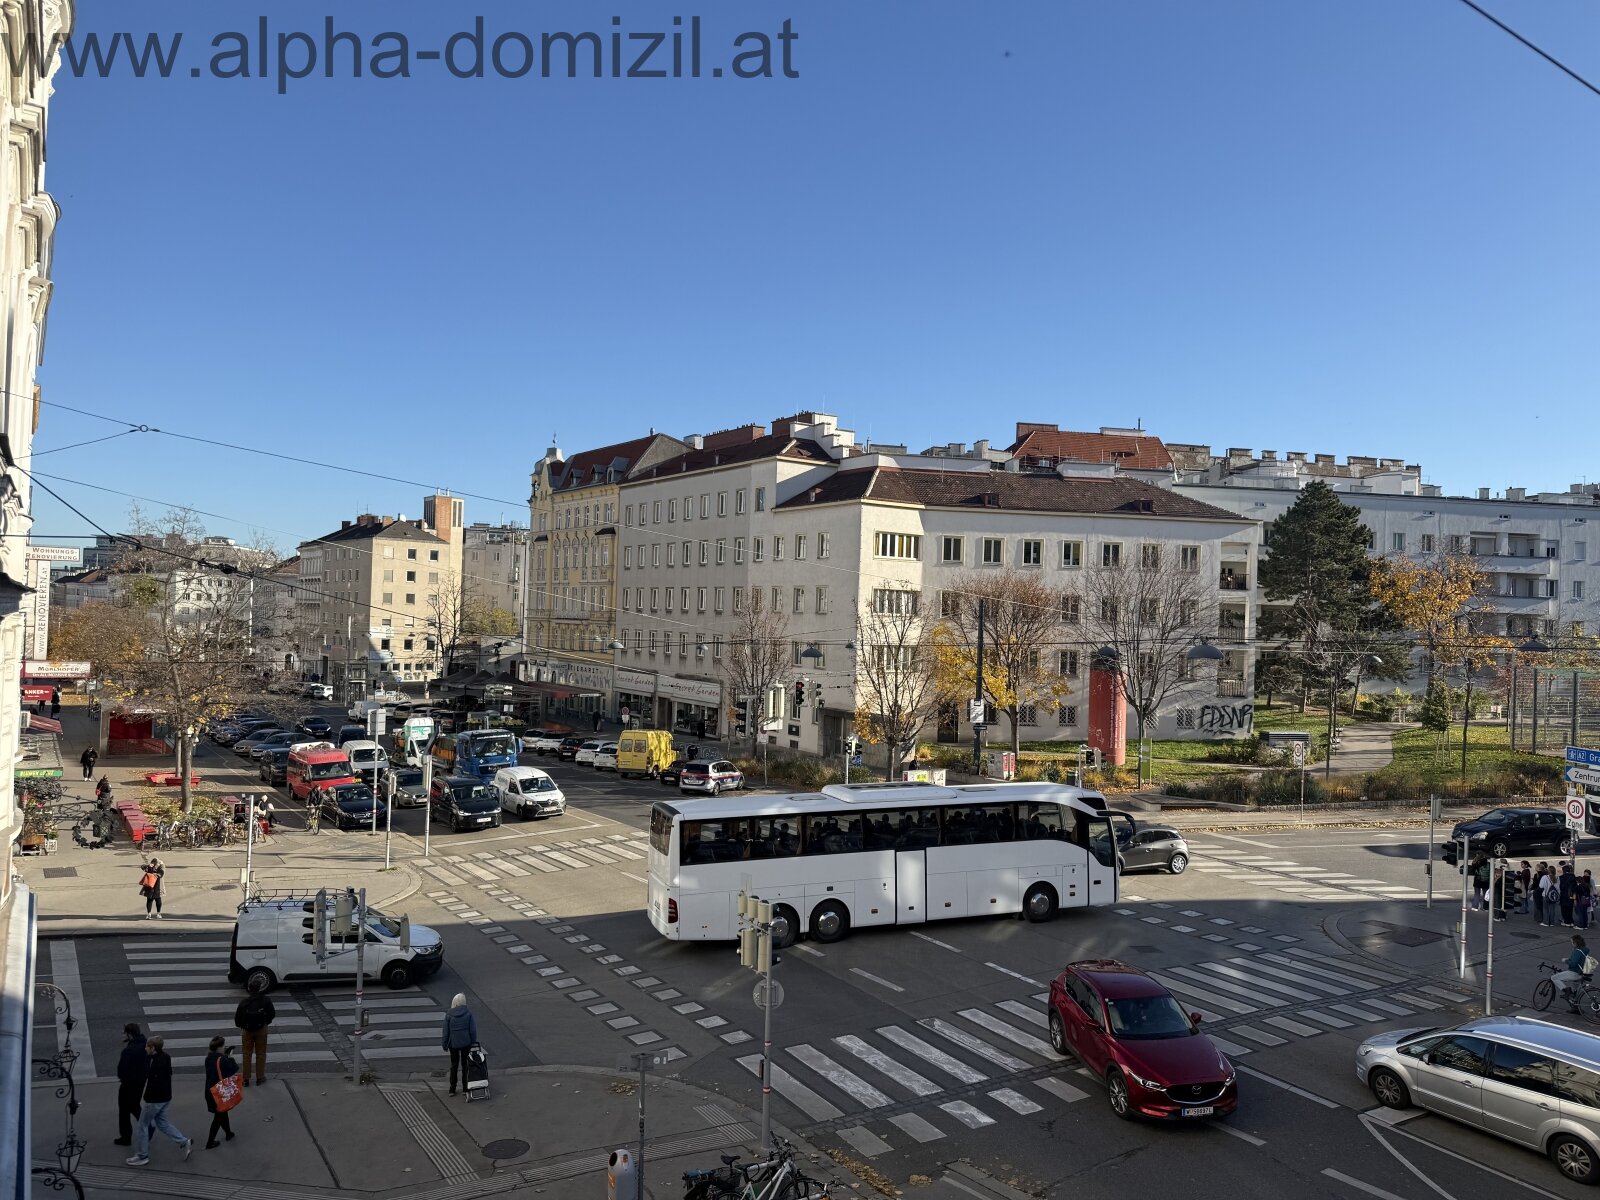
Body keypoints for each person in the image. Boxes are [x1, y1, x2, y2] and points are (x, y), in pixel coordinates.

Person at [126, 1035, 191, 1166]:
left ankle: (142, 1155)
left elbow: (151, 1081)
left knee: (142, 1125)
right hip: (166, 1098)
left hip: (154, 1100)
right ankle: (183, 1141)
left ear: (153, 1048)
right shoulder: (165, 1057)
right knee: (162, 1123)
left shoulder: (155, 1064)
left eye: (147, 1047)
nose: (145, 1048)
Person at [234, 978, 275, 1087]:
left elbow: (237, 1020)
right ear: (260, 988)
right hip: (261, 1029)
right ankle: (260, 1077)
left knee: (247, 1054)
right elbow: (272, 1014)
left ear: (249, 989)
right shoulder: (266, 1000)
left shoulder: (244, 1003)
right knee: (261, 1054)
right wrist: (266, 1022)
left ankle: (246, 1079)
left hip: (247, 1031)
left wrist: (242, 1026)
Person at [113, 1022, 148, 1146]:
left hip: (128, 1084)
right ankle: (147, 1126)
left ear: (130, 1034)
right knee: (134, 1106)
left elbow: (121, 1070)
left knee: (124, 1110)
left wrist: (122, 1078)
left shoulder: (128, 1051)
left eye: (125, 1033)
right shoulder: (145, 1045)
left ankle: (126, 1137)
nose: (123, 1035)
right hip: (140, 1083)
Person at [202, 1036, 240, 1148]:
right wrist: (229, 1057)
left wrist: (224, 1056)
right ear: (219, 1047)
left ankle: (229, 1133)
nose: (224, 1048)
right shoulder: (222, 1059)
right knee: (218, 1117)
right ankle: (210, 1142)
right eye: (223, 1046)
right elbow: (233, 1069)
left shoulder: (208, 1058)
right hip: (219, 1092)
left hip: (210, 1091)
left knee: (222, 1113)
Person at [442, 993, 478, 1097]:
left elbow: (446, 1032)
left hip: (453, 1044)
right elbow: (472, 1030)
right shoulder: (468, 1014)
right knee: (465, 1065)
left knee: (454, 1065)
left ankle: (452, 1089)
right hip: (465, 1043)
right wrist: (472, 1041)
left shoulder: (449, 1015)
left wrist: (444, 1044)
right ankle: (465, 1088)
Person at [1555, 934, 1593, 1013]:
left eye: (1572, 942)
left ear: (1575, 943)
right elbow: (1580, 960)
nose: (1571, 944)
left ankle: (1566, 990)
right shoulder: (1585, 949)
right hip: (1582, 973)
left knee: (1554, 978)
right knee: (1575, 991)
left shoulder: (1577, 951)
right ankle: (1576, 1008)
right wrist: (1570, 959)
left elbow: (1573, 964)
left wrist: (1565, 960)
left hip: (1574, 972)